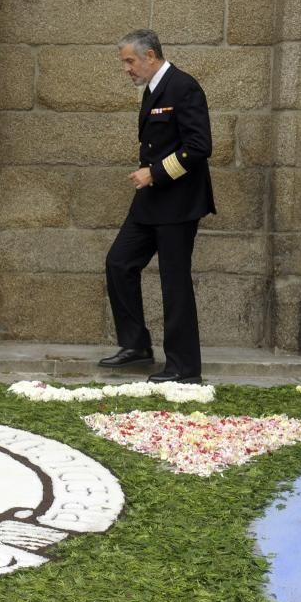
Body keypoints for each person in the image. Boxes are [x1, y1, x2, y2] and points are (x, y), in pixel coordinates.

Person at [98, 29, 216, 384]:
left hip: (178, 204)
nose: (126, 69)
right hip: (150, 203)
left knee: (173, 283)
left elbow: (199, 147)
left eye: (130, 61)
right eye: (124, 63)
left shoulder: (183, 86)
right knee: (119, 263)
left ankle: (184, 368)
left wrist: (155, 173)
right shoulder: (152, 89)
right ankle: (136, 346)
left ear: (150, 56)